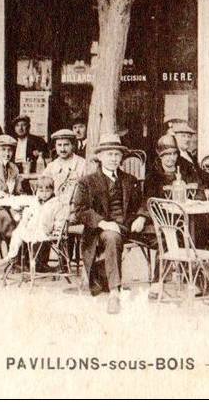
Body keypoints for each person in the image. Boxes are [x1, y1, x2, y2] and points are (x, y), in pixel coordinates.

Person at [72, 133, 147, 314]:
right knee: (112, 238)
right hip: (102, 230)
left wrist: (142, 217)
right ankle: (114, 293)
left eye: (117, 155)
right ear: (100, 156)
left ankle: (170, 281)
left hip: (128, 226)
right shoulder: (87, 182)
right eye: (109, 154)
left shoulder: (130, 180)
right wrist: (103, 223)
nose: (114, 159)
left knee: (164, 231)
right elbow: (81, 210)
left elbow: (142, 203)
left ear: (122, 157)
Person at [0, 175, 72, 271]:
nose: (44, 194)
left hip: (44, 230)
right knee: (17, 233)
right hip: (32, 228)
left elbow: (60, 218)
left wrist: (58, 229)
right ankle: (11, 256)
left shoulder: (55, 203)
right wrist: (24, 221)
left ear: (52, 191)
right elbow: (27, 214)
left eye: (47, 191)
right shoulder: (35, 201)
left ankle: (36, 263)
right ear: (37, 191)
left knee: (33, 237)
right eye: (41, 191)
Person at [43, 129, 89, 203]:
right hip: (55, 205)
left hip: (76, 205)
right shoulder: (51, 166)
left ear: (73, 146)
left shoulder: (82, 164)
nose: (62, 149)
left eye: (66, 145)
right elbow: (44, 188)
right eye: (59, 145)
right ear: (55, 147)